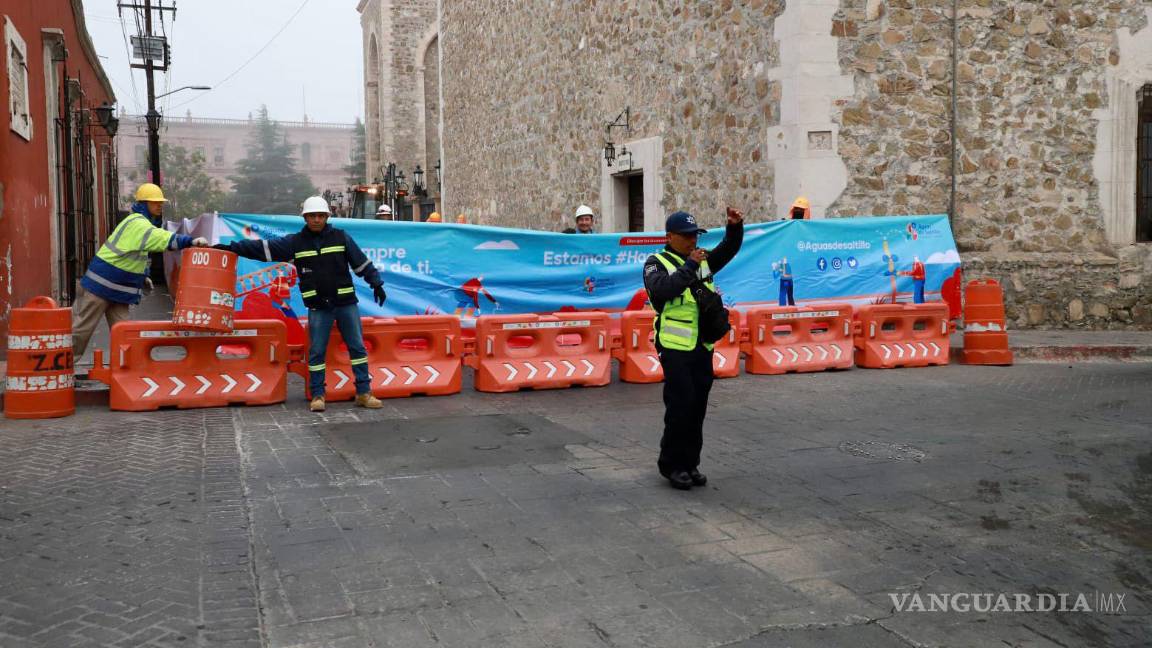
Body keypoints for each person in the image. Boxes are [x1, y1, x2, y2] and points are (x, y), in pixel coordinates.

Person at [214, 196, 387, 413]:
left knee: (357, 348)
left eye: (320, 216)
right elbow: (262, 248)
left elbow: (361, 263)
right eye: (312, 216)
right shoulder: (295, 243)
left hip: (345, 303)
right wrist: (231, 248)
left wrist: (376, 283)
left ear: (327, 217)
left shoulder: (341, 238)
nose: (316, 220)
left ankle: (364, 392)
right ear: (305, 218)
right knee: (316, 352)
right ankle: (317, 395)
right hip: (318, 307)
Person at [643, 207, 744, 490]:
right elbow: (663, 290)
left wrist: (734, 228)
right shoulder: (656, 262)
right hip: (674, 347)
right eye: (686, 236)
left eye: (695, 236)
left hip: (701, 344)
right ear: (670, 236)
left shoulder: (701, 259)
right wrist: (689, 265)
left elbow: (726, 251)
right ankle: (672, 465)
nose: (692, 241)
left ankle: (690, 463)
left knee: (697, 406)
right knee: (680, 405)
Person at [72, 183, 209, 362]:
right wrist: (190, 241)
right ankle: (62, 367)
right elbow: (160, 239)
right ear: (144, 204)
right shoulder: (139, 224)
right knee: (82, 330)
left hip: (117, 289)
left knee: (125, 333)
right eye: (155, 202)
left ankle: (125, 369)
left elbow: (134, 253)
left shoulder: (138, 223)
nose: (159, 205)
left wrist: (142, 275)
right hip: (100, 286)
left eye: (160, 202)